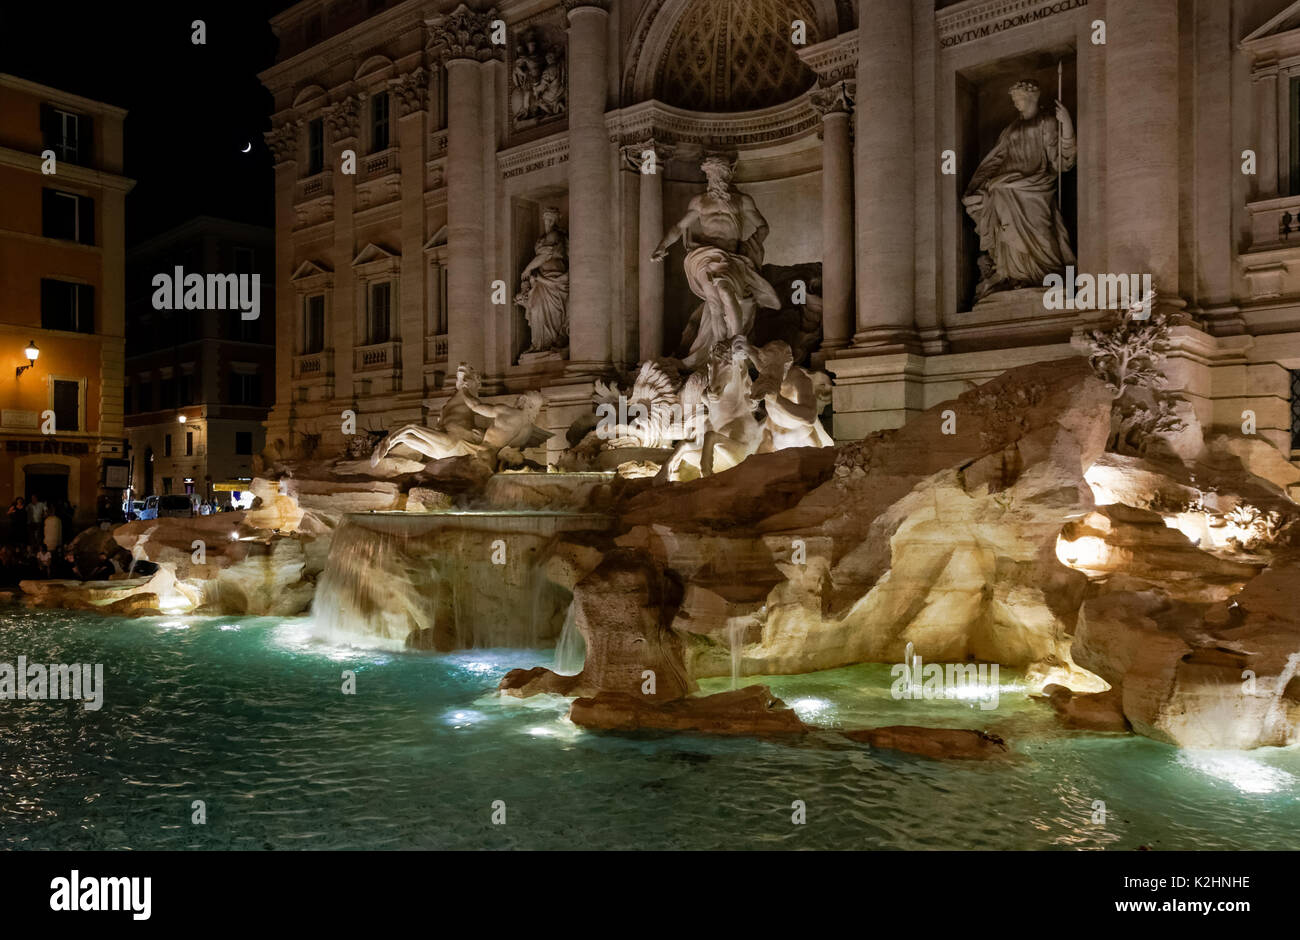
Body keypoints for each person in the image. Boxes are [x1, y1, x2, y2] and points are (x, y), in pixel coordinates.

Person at [651, 155, 780, 368]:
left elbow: (763, 228)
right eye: (710, 175)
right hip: (705, 256)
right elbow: (679, 228)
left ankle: (737, 343)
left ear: (727, 175)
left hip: (730, 258)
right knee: (713, 302)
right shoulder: (700, 202)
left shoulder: (742, 201)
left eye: (717, 174)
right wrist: (662, 246)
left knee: (726, 293)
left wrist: (749, 248)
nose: (713, 179)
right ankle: (719, 351)